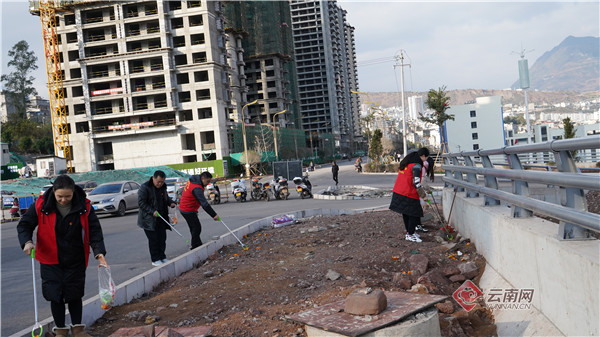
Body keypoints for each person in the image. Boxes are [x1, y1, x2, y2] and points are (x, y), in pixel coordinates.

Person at [17, 175, 107, 337]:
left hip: (75, 257)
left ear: (73, 192)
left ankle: (78, 330)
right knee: (55, 295)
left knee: (74, 294)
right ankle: (61, 331)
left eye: (68, 196)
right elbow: (25, 224)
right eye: (60, 196)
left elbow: (94, 230)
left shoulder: (84, 206)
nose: (63, 200)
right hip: (50, 258)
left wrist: (99, 251)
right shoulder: (41, 205)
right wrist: (27, 242)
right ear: (53, 192)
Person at [389, 148, 430, 243]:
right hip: (408, 193)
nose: (425, 160)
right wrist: (423, 195)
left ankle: (410, 232)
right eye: (426, 158)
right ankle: (410, 234)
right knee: (414, 214)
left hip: (399, 191)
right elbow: (416, 182)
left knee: (406, 213)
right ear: (423, 156)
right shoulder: (417, 166)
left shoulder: (408, 163)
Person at [138, 170, 176, 266]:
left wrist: (170, 202)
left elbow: (166, 198)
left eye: (162, 182)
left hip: (162, 217)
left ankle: (162, 256)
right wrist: (152, 212)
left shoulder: (163, 187)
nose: (160, 184)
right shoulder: (145, 187)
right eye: (158, 181)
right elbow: (141, 203)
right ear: (153, 178)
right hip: (149, 219)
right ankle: (155, 259)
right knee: (154, 239)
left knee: (162, 238)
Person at [178, 171, 219, 249]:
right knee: (197, 228)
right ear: (202, 178)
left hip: (185, 207)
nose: (208, 183)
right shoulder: (197, 188)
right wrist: (214, 215)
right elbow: (204, 204)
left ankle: (198, 244)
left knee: (193, 227)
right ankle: (194, 246)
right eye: (207, 181)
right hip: (187, 209)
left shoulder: (194, 179)